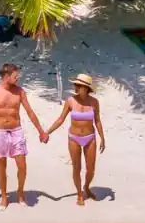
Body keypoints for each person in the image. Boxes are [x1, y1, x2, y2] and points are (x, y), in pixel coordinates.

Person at [0, 63, 47, 208]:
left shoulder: (20, 92)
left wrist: (41, 131)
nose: (18, 79)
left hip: (16, 131)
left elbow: (30, 112)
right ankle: (4, 196)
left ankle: (20, 192)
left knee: (22, 166)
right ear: (6, 76)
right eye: (15, 76)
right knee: (1, 164)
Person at [44, 74, 106, 206]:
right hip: (74, 138)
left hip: (90, 138)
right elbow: (61, 119)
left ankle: (87, 187)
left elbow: (98, 121)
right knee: (76, 168)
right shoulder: (70, 101)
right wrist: (47, 132)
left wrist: (102, 138)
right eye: (75, 85)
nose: (75, 87)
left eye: (78, 85)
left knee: (91, 169)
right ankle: (79, 193)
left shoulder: (94, 102)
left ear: (86, 87)